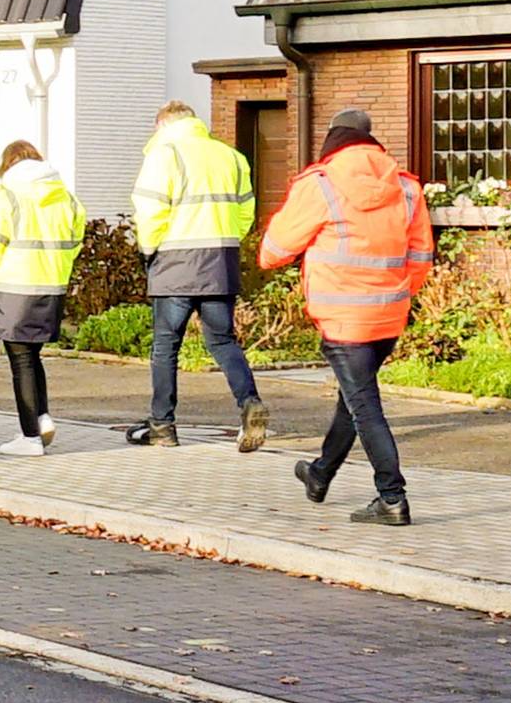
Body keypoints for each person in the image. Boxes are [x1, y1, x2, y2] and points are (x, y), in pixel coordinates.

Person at [259, 108, 433, 526]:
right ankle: (319, 475)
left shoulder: (320, 184)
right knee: (352, 398)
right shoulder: (406, 187)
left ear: (333, 139)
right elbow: (422, 256)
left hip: (342, 319)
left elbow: (273, 252)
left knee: (363, 404)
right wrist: (394, 294)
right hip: (389, 316)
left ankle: (392, 497)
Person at [128, 100, 266, 451]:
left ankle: (162, 426)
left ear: (162, 125)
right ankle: (249, 402)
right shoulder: (230, 156)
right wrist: (227, 241)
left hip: (175, 263)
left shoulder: (165, 154)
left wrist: (149, 249)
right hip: (220, 260)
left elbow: (150, 210)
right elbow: (246, 210)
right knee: (222, 341)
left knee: (165, 346)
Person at [0, 139, 85, 457]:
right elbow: (75, 242)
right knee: (33, 357)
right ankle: (41, 417)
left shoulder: (5, 195)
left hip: (12, 289)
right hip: (51, 287)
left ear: (7, 164)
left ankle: (30, 436)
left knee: (21, 360)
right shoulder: (67, 199)